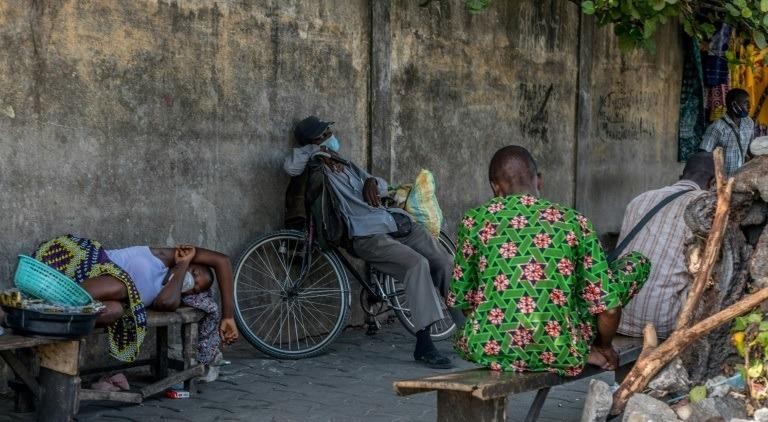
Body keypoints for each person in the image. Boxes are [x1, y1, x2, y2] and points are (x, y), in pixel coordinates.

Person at [449, 146, 650, 375]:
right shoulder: (573, 221)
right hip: (562, 348)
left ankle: (514, 345)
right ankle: (580, 349)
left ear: (495, 187)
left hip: (487, 345)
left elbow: (462, 300)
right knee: (634, 264)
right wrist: (603, 347)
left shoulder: (473, 221)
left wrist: (503, 327)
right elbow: (609, 309)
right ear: (540, 181)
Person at [283, 116, 454, 369]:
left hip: (393, 221)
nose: (332, 135)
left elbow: (381, 186)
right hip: (366, 235)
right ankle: (425, 345)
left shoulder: (346, 163)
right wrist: (317, 152)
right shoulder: (314, 165)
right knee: (416, 264)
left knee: (444, 261)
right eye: (326, 134)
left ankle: (469, 331)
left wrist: (372, 182)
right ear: (316, 140)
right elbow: (290, 167)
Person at [32, 235, 239, 362]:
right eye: (194, 272)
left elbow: (165, 303)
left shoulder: (169, 295)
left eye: (195, 287)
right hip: (83, 266)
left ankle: (41, 317)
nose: (191, 280)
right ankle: (45, 302)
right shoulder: (163, 257)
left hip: (92, 298)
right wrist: (229, 317)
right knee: (122, 285)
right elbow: (222, 260)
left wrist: (183, 267)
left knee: (114, 311)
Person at [616, 152, 715, 339]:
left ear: (681, 176)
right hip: (662, 323)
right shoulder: (707, 207)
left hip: (617, 315)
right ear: (713, 184)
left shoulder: (640, 199)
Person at [699, 88, 754, 176]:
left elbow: (750, 149)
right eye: (745, 103)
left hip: (740, 179)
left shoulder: (749, 123)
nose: (750, 106)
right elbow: (703, 155)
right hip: (721, 181)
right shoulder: (717, 128)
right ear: (734, 105)